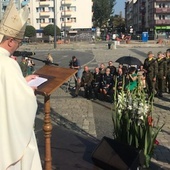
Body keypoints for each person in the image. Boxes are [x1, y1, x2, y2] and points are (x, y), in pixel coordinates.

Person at [0, 1, 42, 169]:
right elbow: (21, 103)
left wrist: (22, 83)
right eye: (19, 42)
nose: (18, 45)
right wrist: (29, 90)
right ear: (10, 41)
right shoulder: (8, 63)